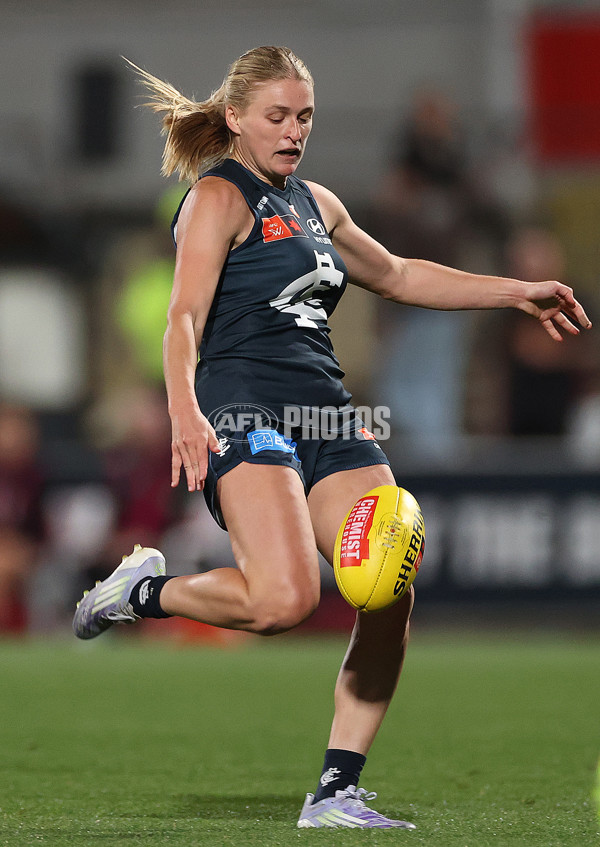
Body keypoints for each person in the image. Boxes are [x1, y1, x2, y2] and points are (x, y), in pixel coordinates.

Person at [72, 47, 591, 829]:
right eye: (277, 116)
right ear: (237, 116)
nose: (293, 131)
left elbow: (401, 273)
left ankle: (336, 790)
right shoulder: (219, 196)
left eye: (304, 116)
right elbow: (183, 315)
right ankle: (138, 592)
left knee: (387, 585)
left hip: (329, 415)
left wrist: (514, 290)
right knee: (283, 601)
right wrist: (183, 404)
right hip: (243, 408)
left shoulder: (317, 201)